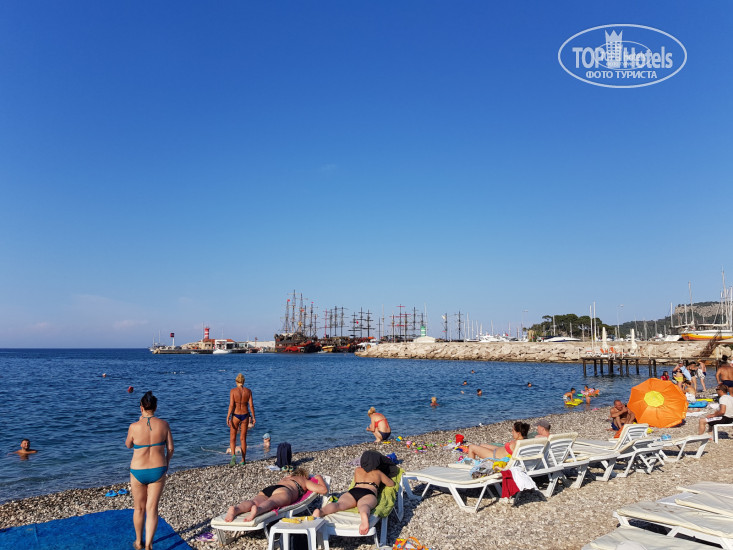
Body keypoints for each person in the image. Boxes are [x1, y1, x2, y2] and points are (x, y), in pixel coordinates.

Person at [126, 391, 174, 550]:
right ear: (155, 407)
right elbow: (170, 448)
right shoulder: (164, 425)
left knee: (139, 508)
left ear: (141, 408)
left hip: (138, 470)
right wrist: (167, 462)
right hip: (158, 469)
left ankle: (138, 542)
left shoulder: (134, 426)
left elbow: (128, 445)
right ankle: (148, 545)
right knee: (152, 509)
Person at [313, 454, 394, 535]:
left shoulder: (357, 470)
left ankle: (321, 512)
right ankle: (364, 515)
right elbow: (391, 484)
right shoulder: (378, 473)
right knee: (364, 505)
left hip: (354, 491)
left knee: (339, 504)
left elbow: (355, 481)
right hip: (368, 492)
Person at [224, 468, 326, 522]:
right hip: (284, 491)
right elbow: (323, 490)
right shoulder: (304, 480)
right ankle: (258, 510)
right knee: (271, 502)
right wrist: (319, 477)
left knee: (253, 501)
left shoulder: (287, 477)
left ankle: (236, 509)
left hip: (270, 488)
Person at [227, 373, 255, 466]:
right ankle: (243, 460)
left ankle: (233, 456)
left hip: (236, 415)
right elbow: (251, 405)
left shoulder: (233, 391)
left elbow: (231, 405)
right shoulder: (248, 391)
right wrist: (253, 417)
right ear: (243, 381)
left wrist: (228, 416)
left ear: (236, 381)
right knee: (243, 439)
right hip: (245, 415)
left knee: (232, 438)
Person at [464, 421, 530, 460]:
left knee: (471, 447)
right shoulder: (525, 441)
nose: (512, 432)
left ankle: (471, 468)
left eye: (513, 431)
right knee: (482, 445)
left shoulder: (516, 443)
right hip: (499, 451)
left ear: (518, 433)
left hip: (496, 457)